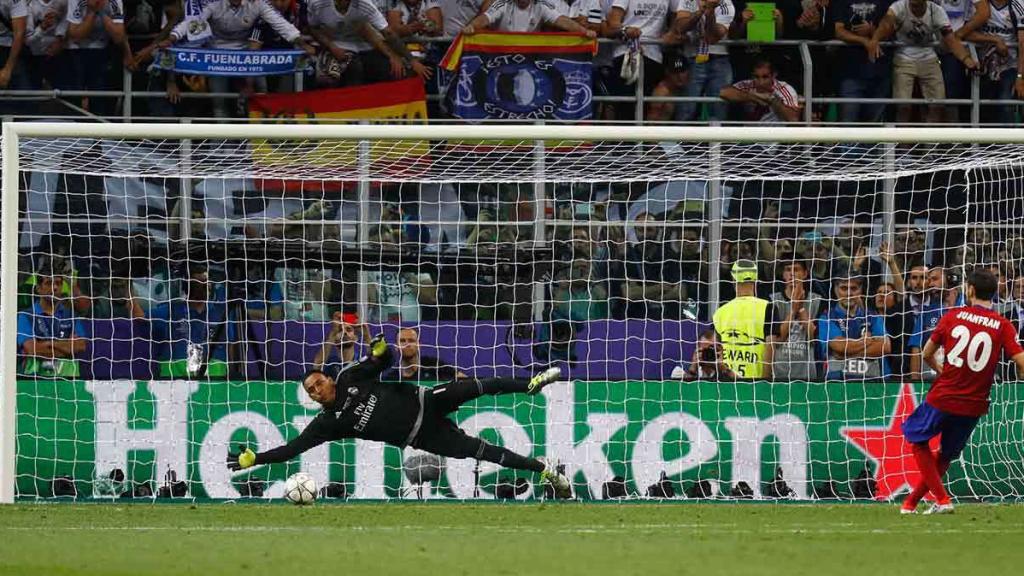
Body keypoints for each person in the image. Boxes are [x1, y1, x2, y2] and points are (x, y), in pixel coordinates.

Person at [227, 336, 573, 498]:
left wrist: (380, 350)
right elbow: (292, 448)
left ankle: (529, 384)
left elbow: (384, 359)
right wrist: (255, 458)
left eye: (318, 382)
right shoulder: (326, 424)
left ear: (329, 378)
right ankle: (544, 471)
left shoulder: (350, 377)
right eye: (311, 391)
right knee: (482, 451)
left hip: (427, 401)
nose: (316, 390)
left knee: (473, 387)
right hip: (423, 437)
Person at [900, 269, 1024, 514]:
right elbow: (1021, 362)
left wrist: (940, 369)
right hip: (975, 403)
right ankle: (910, 504)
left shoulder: (952, 316)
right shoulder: (1004, 325)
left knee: (916, 439)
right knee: (945, 454)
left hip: (945, 395)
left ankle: (943, 500)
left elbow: (925, 354)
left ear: (970, 290)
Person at [865, 0, 977, 124]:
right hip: (903, 58)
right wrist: (875, 39)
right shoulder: (898, 7)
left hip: (929, 58)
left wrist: (967, 59)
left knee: (938, 105)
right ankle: (903, 142)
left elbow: (950, 39)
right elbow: (887, 22)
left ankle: (930, 142)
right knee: (903, 106)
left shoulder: (936, 11)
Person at [16, 262, 89, 378]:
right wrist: (67, 347)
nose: (55, 288)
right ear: (38, 289)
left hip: (68, 380)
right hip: (33, 380)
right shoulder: (26, 316)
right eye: (49, 283)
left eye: (58, 284)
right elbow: (32, 349)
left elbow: (80, 346)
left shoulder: (71, 315)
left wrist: (49, 344)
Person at [818, 268, 891, 381]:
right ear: (836, 290)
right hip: (836, 384)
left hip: (872, 384)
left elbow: (884, 347)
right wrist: (867, 341)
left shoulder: (872, 316)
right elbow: (839, 346)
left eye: (853, 288)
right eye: (844, 288)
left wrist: (845, 355)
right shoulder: (827, 317)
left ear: (860, 290)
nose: (849, 293)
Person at [713, 259, 779, 380]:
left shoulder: (720, 313)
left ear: (733, 280)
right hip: (755, 386)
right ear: (755, 280)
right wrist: (764, 385)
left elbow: (718, 353)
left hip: (726, 384)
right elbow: (770, 349)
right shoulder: (768, 308)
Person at [909, 265, 966, 381]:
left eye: (934, 279)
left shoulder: (968, 307)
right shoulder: (926, 311)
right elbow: (916, 348)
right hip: (932, 379)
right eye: (929, 280)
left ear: (950, 280)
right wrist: (915, 381)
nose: (929, 284)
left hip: (963, 378)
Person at [770, 257, 823, 381]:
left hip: (807, 374)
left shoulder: (817, 301)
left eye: (796, 269)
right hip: (779, 374)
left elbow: (815, 338)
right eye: (788, 270)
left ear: (805, 273)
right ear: (783, 274)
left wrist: (800, 309)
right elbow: (777, 340)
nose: (792, 274)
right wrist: (793, 310)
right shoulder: (773, 301)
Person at [719, 58, 801, 123]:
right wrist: (752, 97)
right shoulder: (748, 85)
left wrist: (772, 100)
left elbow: (793, 119)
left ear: (774, 75)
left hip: (774, 139)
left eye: (765, 77)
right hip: (748, 138)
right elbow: (723, 92)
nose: (760, 82)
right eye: (756, 77)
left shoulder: (784, 89)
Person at [384, 326, 466, 381]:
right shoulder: (392, 378)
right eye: (402, 341)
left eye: (411, 341)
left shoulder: (434, 365)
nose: (407, 344)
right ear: (396, 347)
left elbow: (464, 380)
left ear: (418, 345)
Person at [645, 51, 690, 121]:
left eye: (682, 71)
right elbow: (652, 120)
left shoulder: (684, 89)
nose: (679, 76)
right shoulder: (661, 92)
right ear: (667, 72)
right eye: (675, 72)